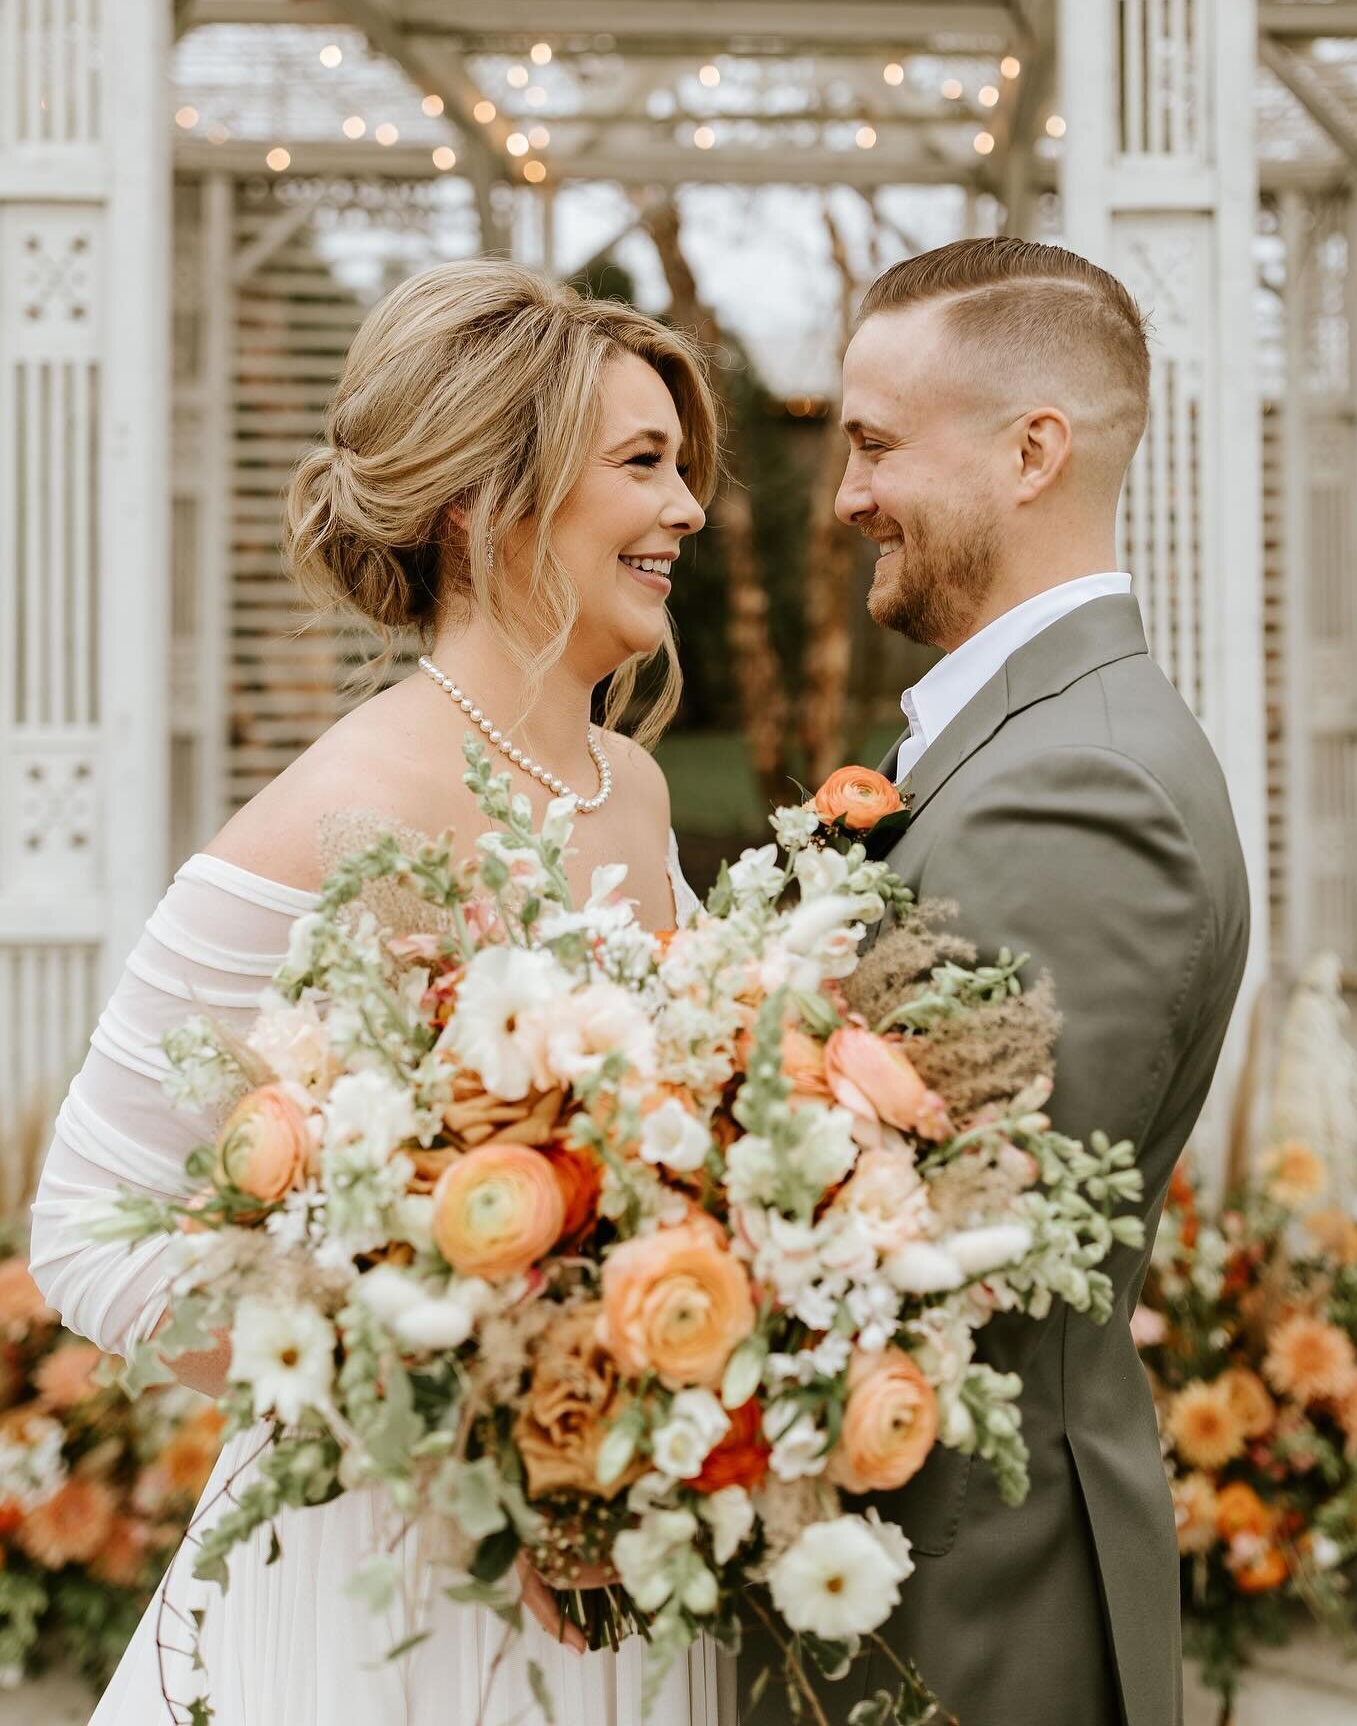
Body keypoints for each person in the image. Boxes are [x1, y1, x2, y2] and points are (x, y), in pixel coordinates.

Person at [29, 260, 728, 1726]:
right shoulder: (334, 811)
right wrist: (441, 1422)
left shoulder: (638, 788)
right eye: (644, 464)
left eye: (685, 468)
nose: (690, 510)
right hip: (390, 1592)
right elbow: (87, 1228)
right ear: (485, 498)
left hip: (628, 1572)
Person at [743, 238, 1251, 1726]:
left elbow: (951, 1244)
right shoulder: (1026, 741)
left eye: (876, 445)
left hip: (966, 1618)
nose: (846, 497)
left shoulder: (1083, 784)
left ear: (1034, 453)